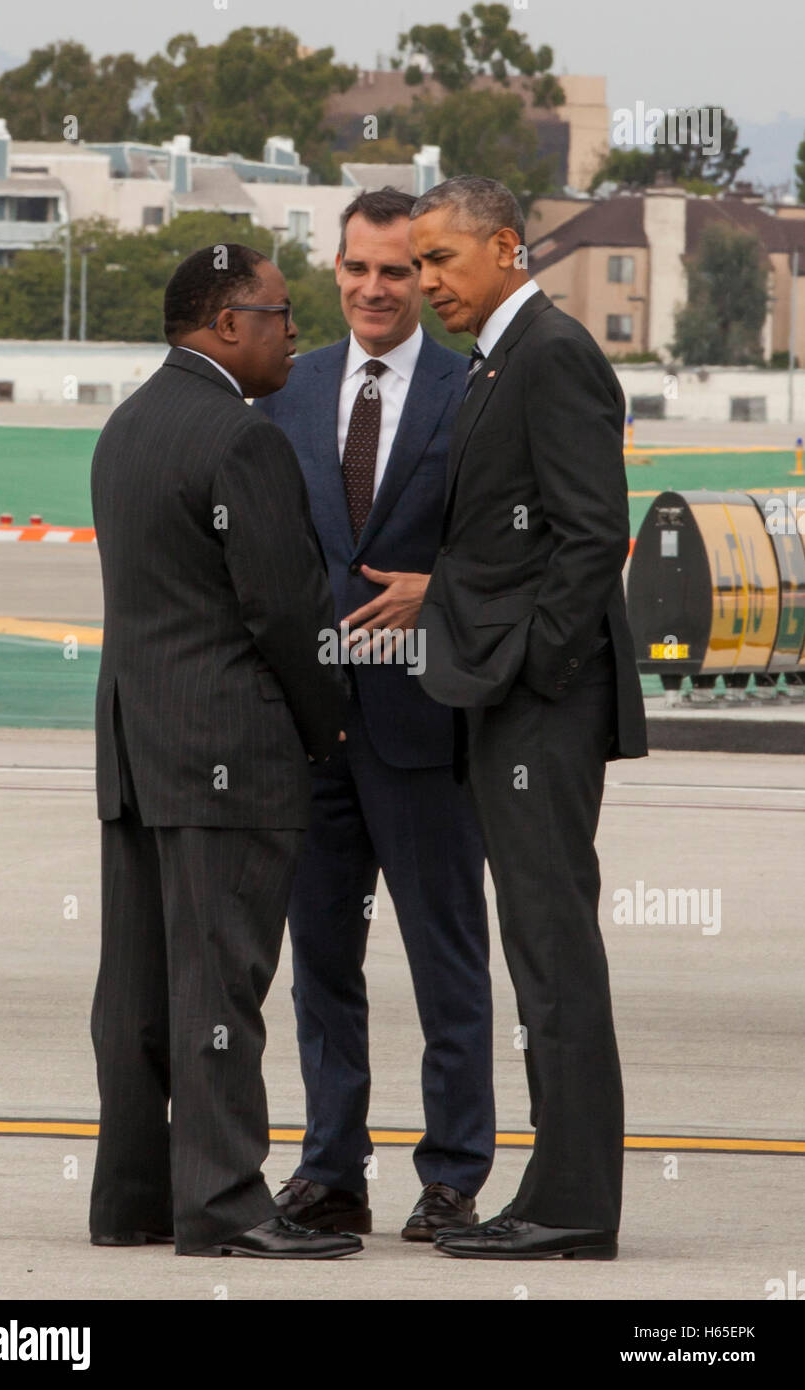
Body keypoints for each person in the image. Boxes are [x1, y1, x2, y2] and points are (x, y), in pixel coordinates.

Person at [88, 243, 360, 1260]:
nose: (293, 332)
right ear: (222, 324)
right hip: (226, 757)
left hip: (138, 749)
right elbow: (284, 608)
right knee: (220, 988)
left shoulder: (128, 425)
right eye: (279, 314)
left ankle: (130, 1197)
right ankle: (225, 1203)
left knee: (138, 989)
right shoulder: (240, 439)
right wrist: (325, 719)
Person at [408, 176, 648, 1260]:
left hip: (538, 704)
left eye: (438, 261)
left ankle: (571, 1206)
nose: (423, 284)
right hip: (509, 695)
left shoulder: (551, 353)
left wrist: (532, 669)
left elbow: (593, 533)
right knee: (538, 949)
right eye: (415, 264)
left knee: (552, 951)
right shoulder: (497, 359)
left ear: (504, 248)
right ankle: (554, 1190)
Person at [255, 189, 494, 1241]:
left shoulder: (471, 388)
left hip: (424, 724)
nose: (373, 289)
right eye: (355, 269)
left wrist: (439, 585)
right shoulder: (288, 390)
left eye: (396, 271)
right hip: (311, 731)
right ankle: (330, 1169)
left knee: (447, 957)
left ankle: (450, 1175)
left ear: (425, 275)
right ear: (334, 269)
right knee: (318, 964)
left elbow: (511, 536)